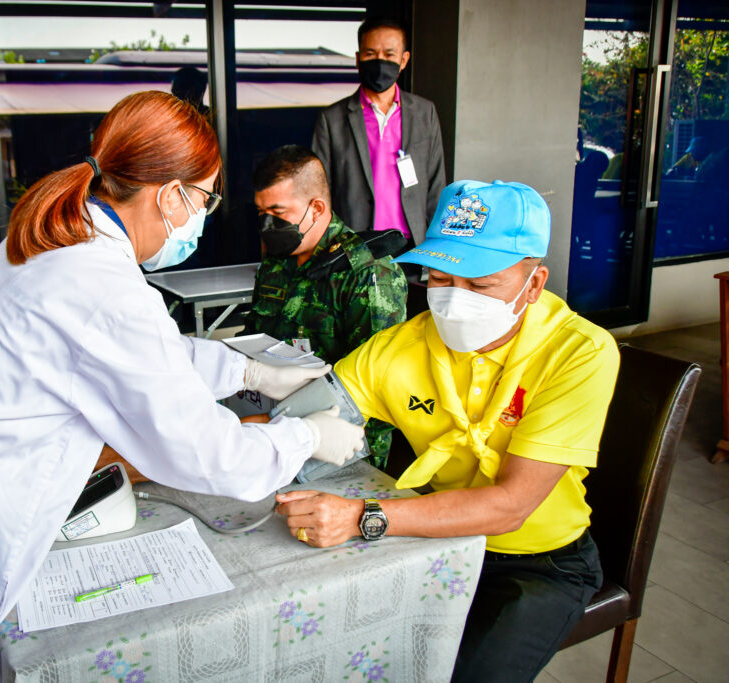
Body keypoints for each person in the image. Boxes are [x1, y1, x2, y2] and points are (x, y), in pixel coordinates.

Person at [0, 91, 364, 682]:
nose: (204, 218)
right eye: (205, 199)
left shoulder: (56, 234)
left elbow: (138, 355)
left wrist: (245, 370)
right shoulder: (99, 282)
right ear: (169, 196)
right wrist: (305, 437)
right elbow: (210, 454)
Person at [276, 180, 619, 682]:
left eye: (481, 285)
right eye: (440, 278)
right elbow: (297, 421)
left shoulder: (579, 353)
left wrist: (360, 518)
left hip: (536, 562)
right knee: (340, 645)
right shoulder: (400, 347)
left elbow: (510, 507)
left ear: (534, 284)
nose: (456, 302)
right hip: (435, 539)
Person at [242, 144, 408, 468]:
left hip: (342, 447)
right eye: (262, 213)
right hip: (274, 428)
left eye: (278, 213)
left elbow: (377, 385)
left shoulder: (368, 273)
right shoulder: (277, 262)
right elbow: (254, 340)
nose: (267, 226)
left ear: (316, 208)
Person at [312, 15, 446, 277]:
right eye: (371, 53)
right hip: (353, 248)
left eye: (389, 54)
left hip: (410, 247)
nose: (380, 61)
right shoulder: (332, 119)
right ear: (358, 58)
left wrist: (436, 247)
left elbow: (435, 184)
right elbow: (319, 192)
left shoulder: (424, 113)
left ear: (403, 60)